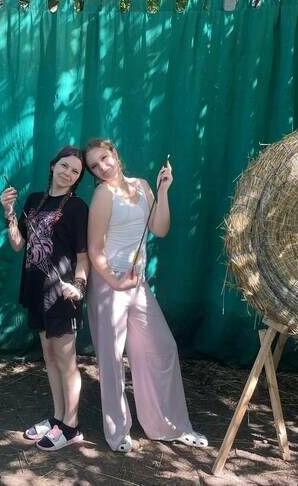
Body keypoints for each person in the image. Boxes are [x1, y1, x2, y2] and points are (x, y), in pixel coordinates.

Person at [83, 138, 207, 453]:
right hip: (109, 283)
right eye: (94, 166)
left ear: (114, 153)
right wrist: (114, 282)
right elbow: (95, 250)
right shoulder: (103, 195)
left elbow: (160, 229)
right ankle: (117, 432)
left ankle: (167, 425)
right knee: (111, 359)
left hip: (136, 283)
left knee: (162, 347)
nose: (102, 167)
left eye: (104, 158)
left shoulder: (142, 186)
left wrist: (163, 191)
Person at [0, 145, 89, 451]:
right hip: (36, 289)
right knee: (49, 357)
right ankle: (57, 418)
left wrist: (78, 287)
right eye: (65, 166)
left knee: (66, 362)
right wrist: (9, 213)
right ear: (53, 165)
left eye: (75, 171)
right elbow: (18, 245)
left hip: (62, 294)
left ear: (78, 178)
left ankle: (71, 427)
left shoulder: (77, 208)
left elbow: (83, 257)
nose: (68, 173)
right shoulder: (34, 200)